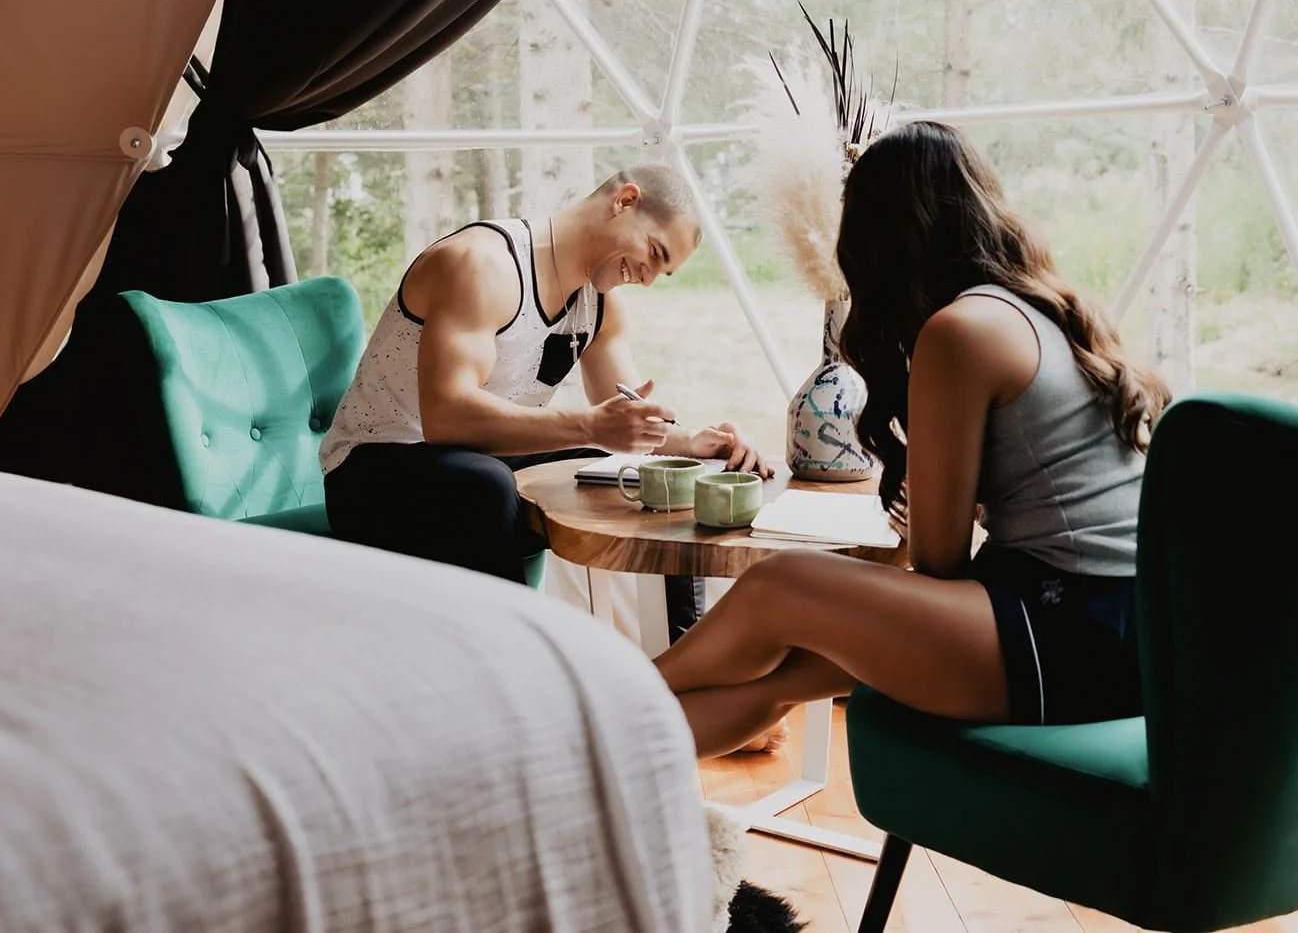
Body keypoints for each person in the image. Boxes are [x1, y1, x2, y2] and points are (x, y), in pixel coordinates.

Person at [651, 121, 1171, 758]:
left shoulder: (964, 331)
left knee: (776, 588)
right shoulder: (1042, 310)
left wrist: (935, 513)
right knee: (783, 679)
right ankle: (596, 775)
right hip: (1132, 633)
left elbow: (938, 562)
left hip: (1066, 631)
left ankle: (606, 698)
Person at [320, 162, 773, 636]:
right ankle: (521, 668)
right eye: (654, 252)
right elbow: (446, 419)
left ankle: (684, 664)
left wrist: (694, 445)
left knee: (658, 476)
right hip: (371, 470)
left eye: (664, 271)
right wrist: (591, 426)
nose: (647, 277)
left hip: (480, 460)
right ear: (625, 201)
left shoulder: (600, 301)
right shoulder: (482, 264)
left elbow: (626, 415)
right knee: (488, 486)